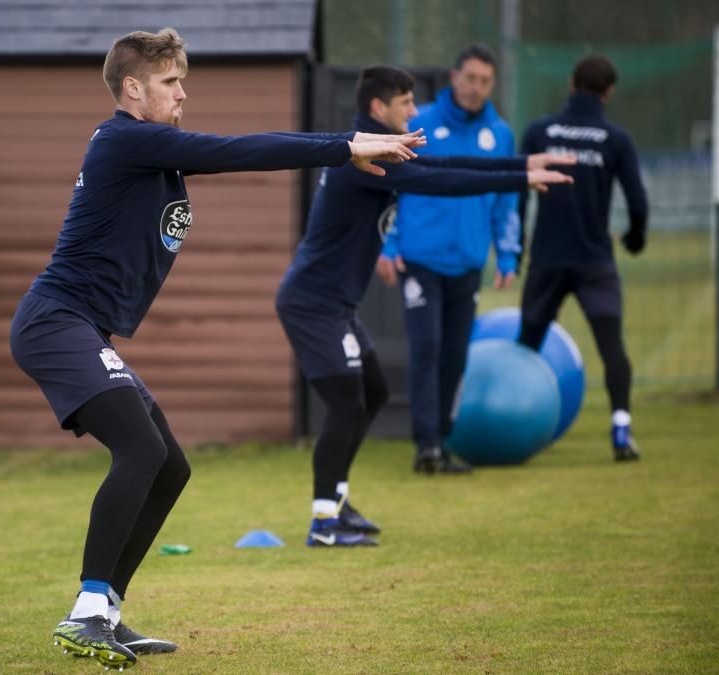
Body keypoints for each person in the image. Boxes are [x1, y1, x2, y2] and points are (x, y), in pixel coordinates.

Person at [8, 28, 424, 670]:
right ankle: (87, 612)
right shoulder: (125, 139)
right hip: (55, 322)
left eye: (182, 81)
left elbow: (223, 152)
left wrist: (340, 151)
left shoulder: (153, 153)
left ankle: (107, 611)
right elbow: (238, 150)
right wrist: (343, 146)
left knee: (170, 466)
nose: (182, 94)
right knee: (141, 448)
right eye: (170, 83)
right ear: (132, 90)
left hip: (81, 330)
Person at [275, 64, 574, 548]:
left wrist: (519, 168)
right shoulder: (364, 158)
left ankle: (337, 502)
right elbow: (440, 181)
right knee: (347, 404)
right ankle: (323, 522)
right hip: (313, 305)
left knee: (370, 394)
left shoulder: (379, 147)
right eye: (406, 103)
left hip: (337, 305)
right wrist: (518, 176)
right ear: (378, 109)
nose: (415, 111)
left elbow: (446, 166)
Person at [375, 44, 520, 476]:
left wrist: (508, 253)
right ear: (454, 78)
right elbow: (391, 189)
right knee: (427, 349)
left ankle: (441, 439)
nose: (476, 88)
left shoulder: (502, 135)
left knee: (455, 356)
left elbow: (506, 200)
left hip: (469, 262)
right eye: (470, 78)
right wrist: (388, 246)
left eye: (485, 81)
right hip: (420, 260)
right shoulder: (418, 123)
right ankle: (425, 446)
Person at [517, 55, 648, 462]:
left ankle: (515, 425)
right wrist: (635, 238)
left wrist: (516, 244)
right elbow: (638, 202)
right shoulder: (616, 139)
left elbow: (516, 188)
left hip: (548, 258)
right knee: (611, 346)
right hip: (594, 262)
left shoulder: (539, 131)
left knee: (528, 344)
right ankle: (622, 428)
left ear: (572, 83)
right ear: (609, 92)